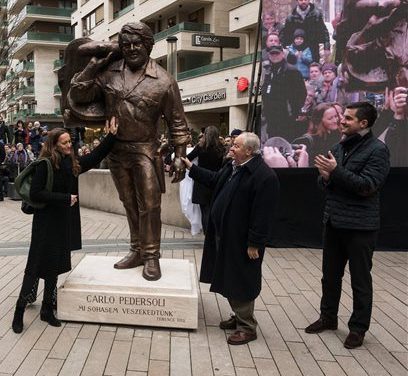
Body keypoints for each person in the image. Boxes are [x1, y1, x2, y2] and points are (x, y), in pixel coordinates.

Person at [69, 22, 191, 280]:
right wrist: (94, 64)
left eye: (137, 44)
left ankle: (151, 256)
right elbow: (79, 95)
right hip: (116, 150)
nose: (132, 49)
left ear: (148, 45)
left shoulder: (165, 81)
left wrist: (180, 155)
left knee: (150, 204)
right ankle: (136, 249)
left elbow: (178, 122)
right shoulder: (109, 72)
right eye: (126, 45)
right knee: (129, 203)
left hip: (146, 150)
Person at [11, 119, 118, 333]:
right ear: (53, 145)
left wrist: (111, 136)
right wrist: (64, 198)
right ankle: (19, 312)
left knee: (54, 266)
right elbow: (36, 193)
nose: (69, 145)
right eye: (64, 143)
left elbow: (95, 156)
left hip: (62, 222)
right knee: (35, 266)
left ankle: (47, 310)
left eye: (70, 142)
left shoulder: (73, 163)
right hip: (45, 222)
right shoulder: (45, 164)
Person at [181, 132, 280, 345]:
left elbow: (263, 215)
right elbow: (214, 180)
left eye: (235, 146)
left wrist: (255, 244)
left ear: (249, 151)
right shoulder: (232, 167)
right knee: (229, 277)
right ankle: (239, 316)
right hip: (224, 236)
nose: (231, 148)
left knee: (241, 280)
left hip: (243, 242)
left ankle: (247, 327)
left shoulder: (264, 177)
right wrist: (191, 167)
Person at [306, 102, 391, 349]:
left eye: (348, 118)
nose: (342, 121)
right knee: (329, 277)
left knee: (360, 281)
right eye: (343, 116)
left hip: (360, 228)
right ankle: (328, 318)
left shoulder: (378, 150)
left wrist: (336, 172)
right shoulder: (339, 146)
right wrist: (325, 178)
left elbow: (368, 186)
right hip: (333, 222)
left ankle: (357, 329)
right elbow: (328, 185)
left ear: (363, 124)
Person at [262, 45, 307, 142]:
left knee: (287, 145)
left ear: (282, 54)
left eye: (277, 53)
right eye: (272, 54)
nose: (274, 56)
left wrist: (294, 111)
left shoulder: (292, 71)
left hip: (287, 119)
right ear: (269, 56)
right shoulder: (269, 72)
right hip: (272, 120)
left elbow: (302, 93)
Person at [185, 126, 226, 233]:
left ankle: (207, 235)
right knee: (214, 209)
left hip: (201, 181)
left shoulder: (201, 147)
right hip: (216, 180)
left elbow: (187, 158)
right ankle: (215, 233)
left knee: (205, 211)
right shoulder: (221, 147)